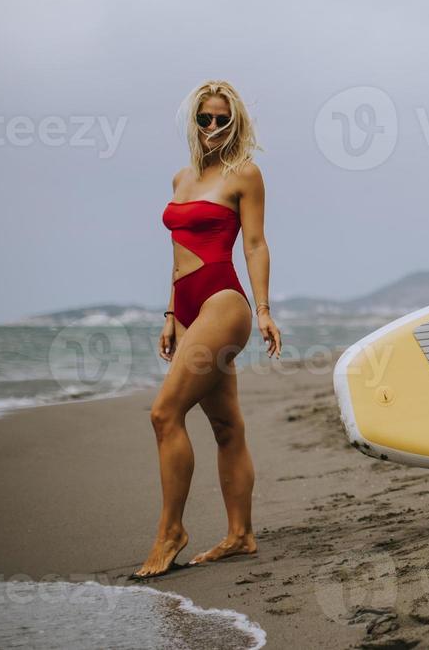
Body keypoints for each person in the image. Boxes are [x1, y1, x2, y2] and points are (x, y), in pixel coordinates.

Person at [132, 80, 281, 579]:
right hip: (190, 307)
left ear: (235, 122)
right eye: (204, 119)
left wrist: (262, 309)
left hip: (224, 303)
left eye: (222, 119)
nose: (213, 128)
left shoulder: (245, 174)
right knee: (226, 426)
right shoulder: (182, 178)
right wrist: (171, 314)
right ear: (193, 123)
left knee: (163, 414)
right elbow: (177, 256)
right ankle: (241, 535)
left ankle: (170, 531)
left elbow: (255, 244)